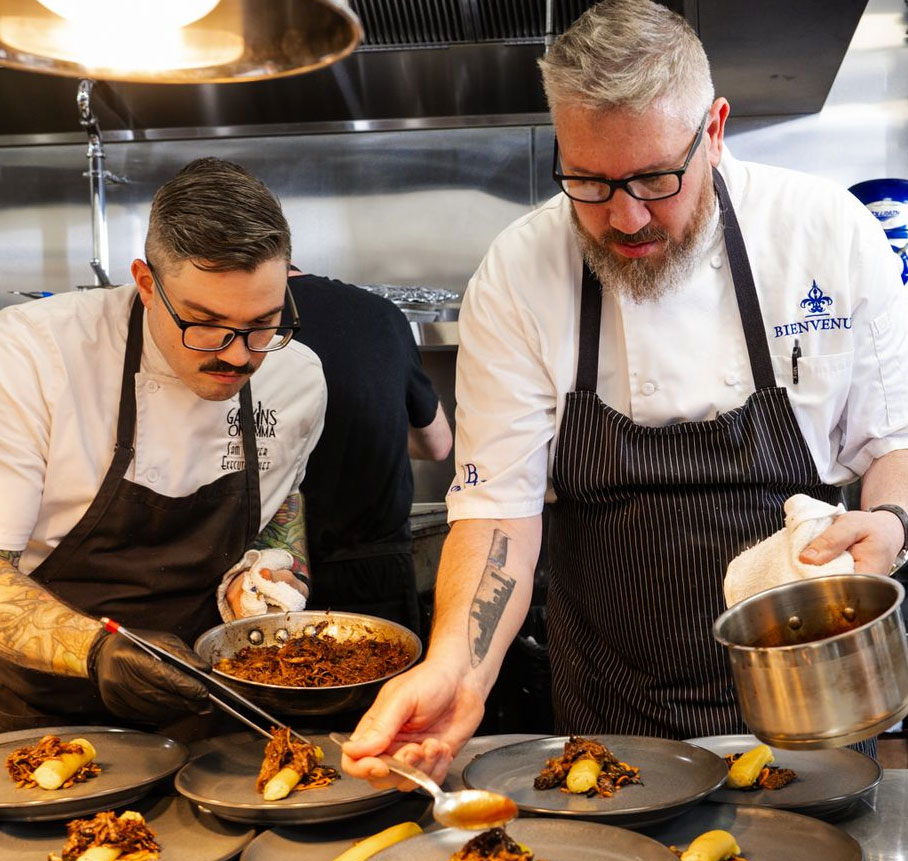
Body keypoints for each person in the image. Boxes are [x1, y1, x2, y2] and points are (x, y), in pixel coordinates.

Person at [341, 0, 908, 782]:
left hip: (809, 699)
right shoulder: (519, 272)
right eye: (588, 182)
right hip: (611, 715)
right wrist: (459, 673)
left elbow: (894, 440)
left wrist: (890, 521)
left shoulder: (827, 236)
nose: (624, 216)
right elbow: (497, 508)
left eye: (653, 178)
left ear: (714, 130)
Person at [0, 158, 327, 731]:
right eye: (205, 322)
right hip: (41, 712)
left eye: (264, 322)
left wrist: (282, 568)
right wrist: (98, 651)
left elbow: (285, 495)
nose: (237, 354)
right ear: (147, 284)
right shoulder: (33, 356)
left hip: (210, 703)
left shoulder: (297, 376)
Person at [288, 271, 452, 634]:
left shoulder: (240, 320)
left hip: (270, 578)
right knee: (385, 688)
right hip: (372, 573)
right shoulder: (382, 313)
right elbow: (437, 444)